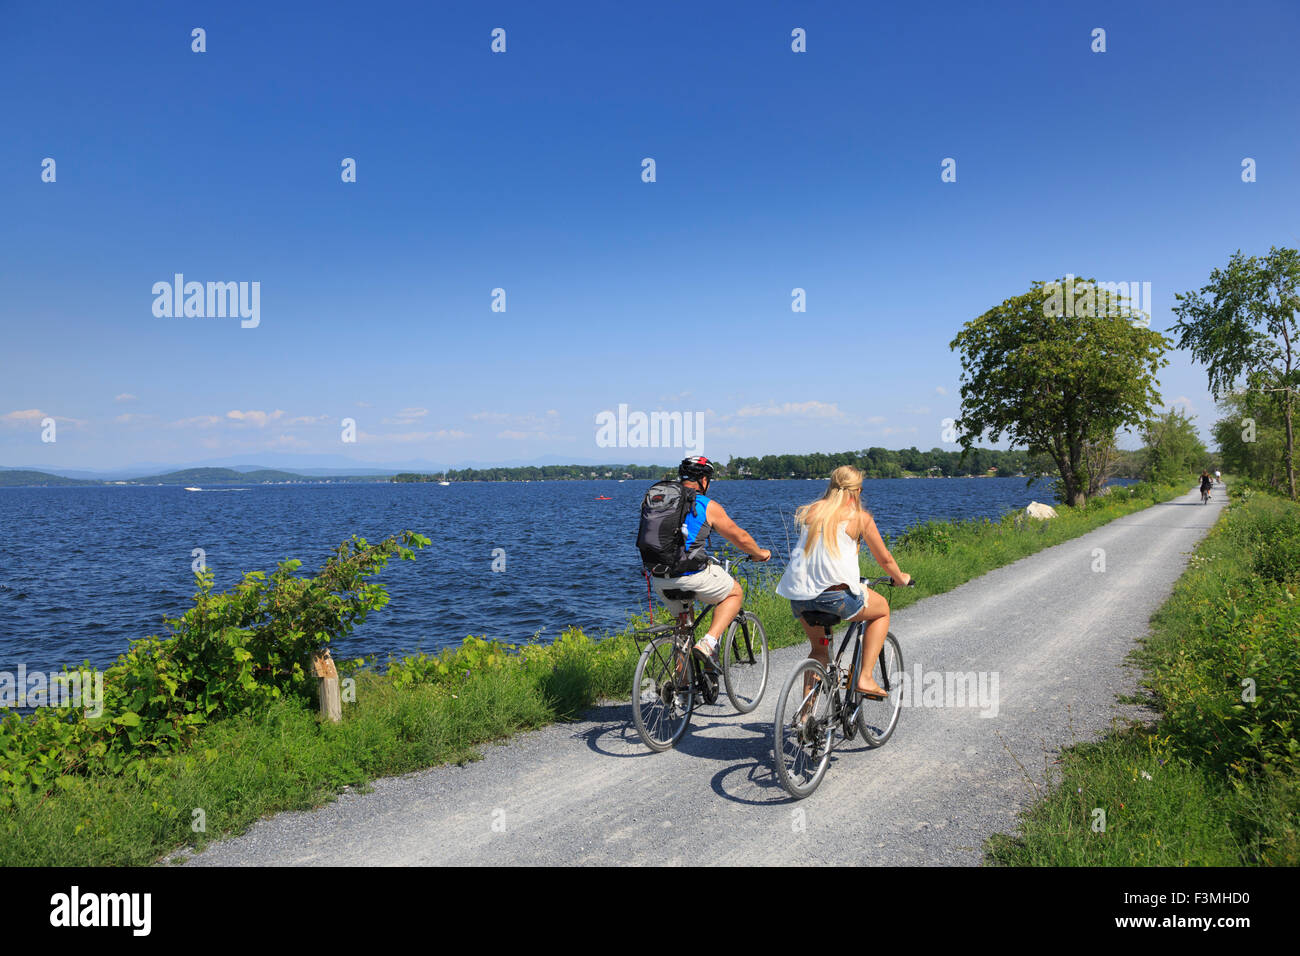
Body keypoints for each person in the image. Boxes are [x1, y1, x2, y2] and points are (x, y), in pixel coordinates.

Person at [776, 465, 910, 699]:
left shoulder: (812, 511)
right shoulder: (860, 518)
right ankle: (865, 678)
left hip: (799, 596)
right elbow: (886, 560)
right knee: (881, 611)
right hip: (835, 597)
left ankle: (806, 717)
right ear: (857, 491)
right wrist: (901, 579)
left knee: (819, 651)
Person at [648, 456, 771, 668]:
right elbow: (739, 537)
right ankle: (709, 643)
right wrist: (759, 553)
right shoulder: (706, 504)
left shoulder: (662, 502)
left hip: (659, 577)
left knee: (683, 627)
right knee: (734, 592)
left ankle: (681, 686)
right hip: (691, 576)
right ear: (704, 481)